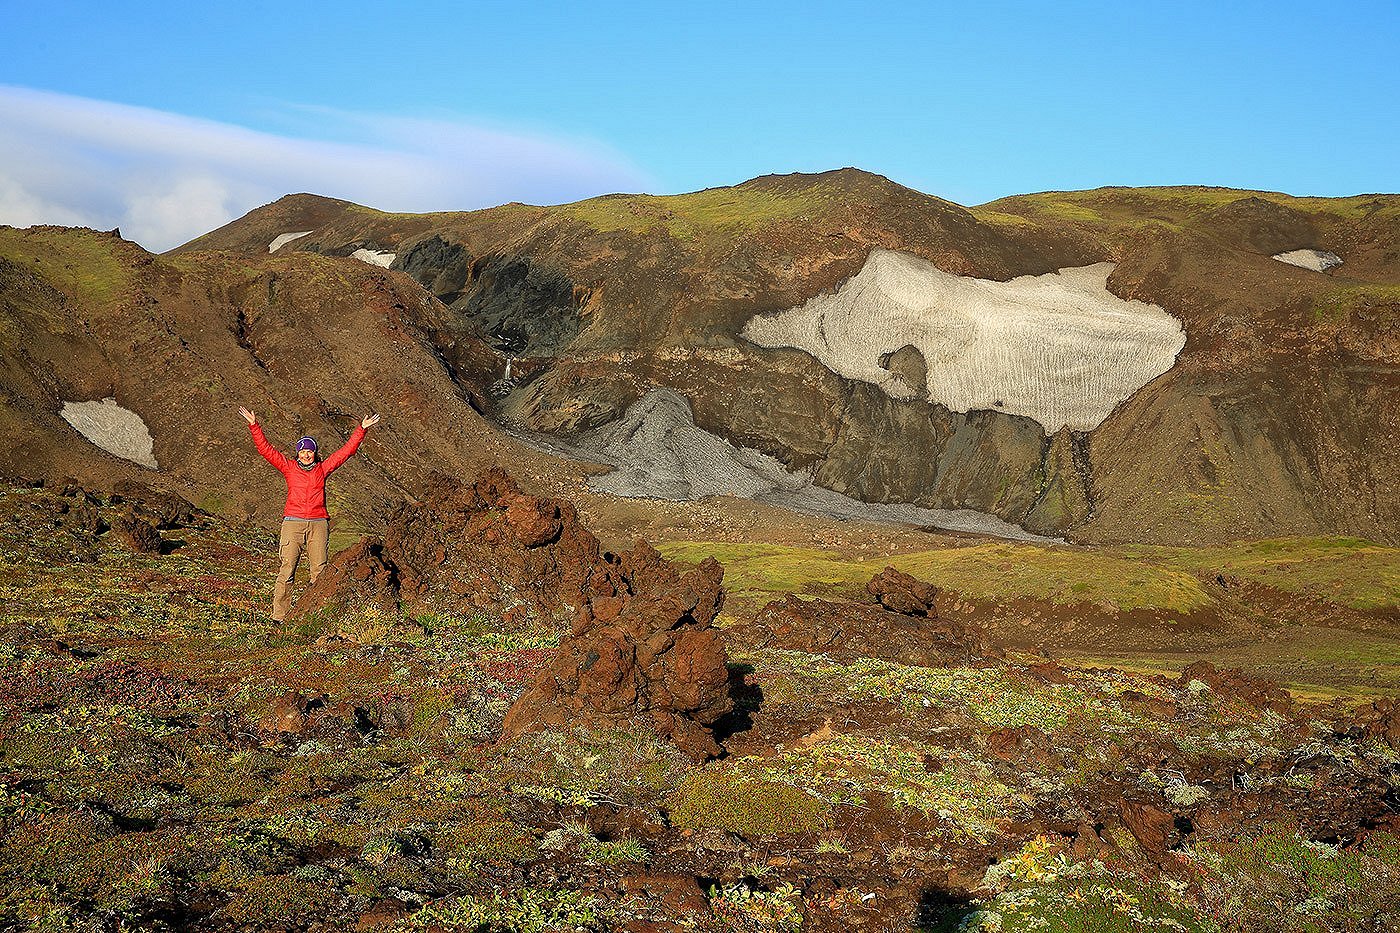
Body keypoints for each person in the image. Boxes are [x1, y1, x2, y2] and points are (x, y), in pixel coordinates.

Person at [238, 406, 380, 622]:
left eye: (309, 450)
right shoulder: (289, 467)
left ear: (315, 453)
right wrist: (254, 425)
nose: (306, 454)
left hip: (318, 524)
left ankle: (316, 616)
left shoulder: (322, 469)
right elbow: (265, 450)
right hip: (292, 523)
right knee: (287, 569)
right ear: (298, 453)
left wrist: (361, 429)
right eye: (302, 450)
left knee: (319, 572)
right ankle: (279, 617)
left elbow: (346, 452)